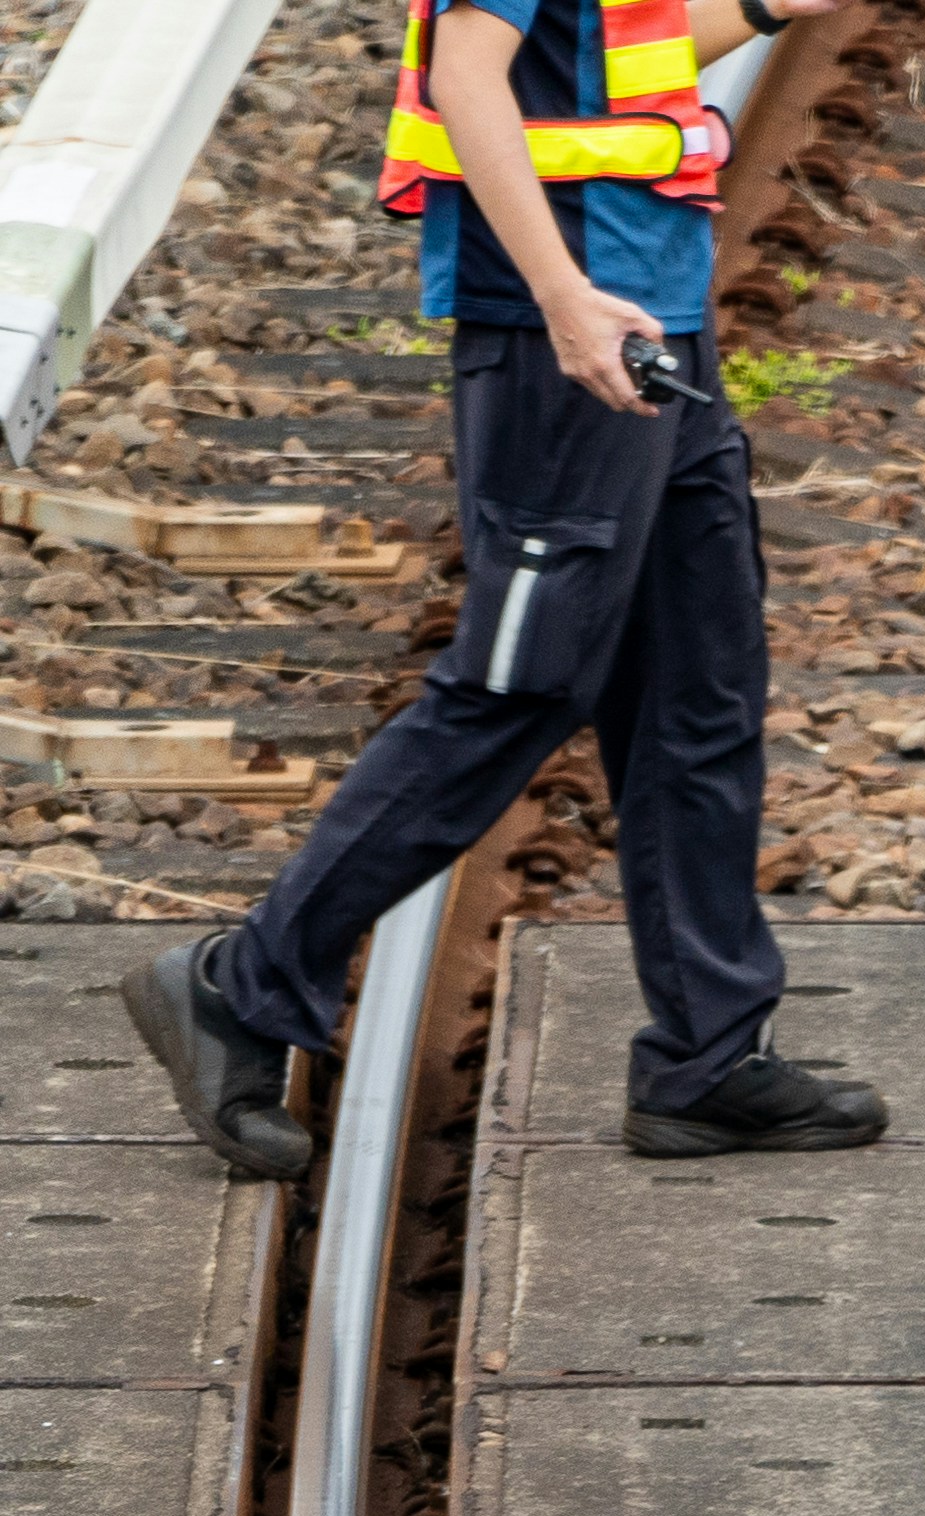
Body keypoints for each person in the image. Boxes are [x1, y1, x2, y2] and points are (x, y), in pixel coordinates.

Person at [132, 0, 875, 1174]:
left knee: (698, 689)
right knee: (522, 682)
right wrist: (560, 297)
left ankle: (708, 1055)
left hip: (656, 313)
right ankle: (246, 979)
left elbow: (618, 60)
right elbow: (466, 77)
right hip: (568, 328)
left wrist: (770, 8)